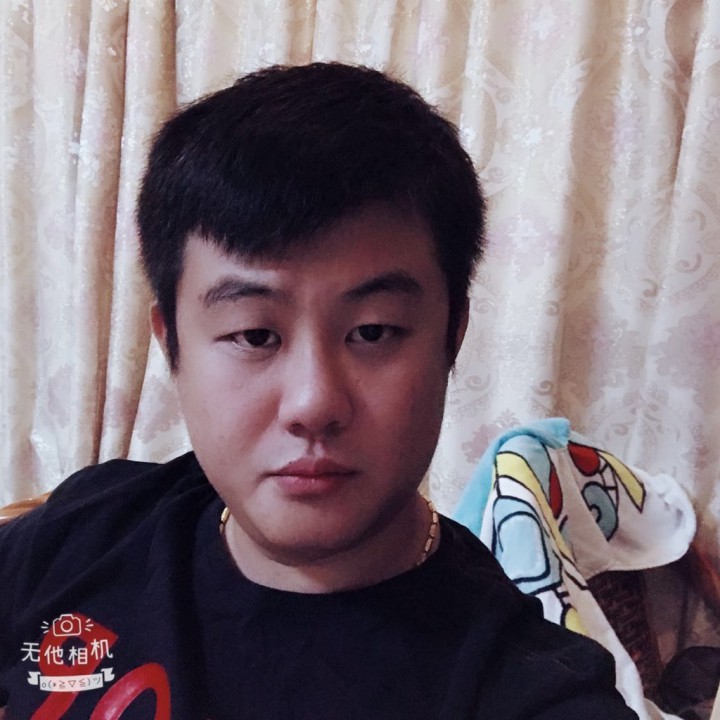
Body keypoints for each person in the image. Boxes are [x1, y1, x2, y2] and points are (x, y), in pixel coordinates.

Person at [0, 62, 637, 719]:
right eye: (254, 335)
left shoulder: (524, 690)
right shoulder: (86, 531)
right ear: (172, 344)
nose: (313, 403)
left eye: (373, 332)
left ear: (452, 337)